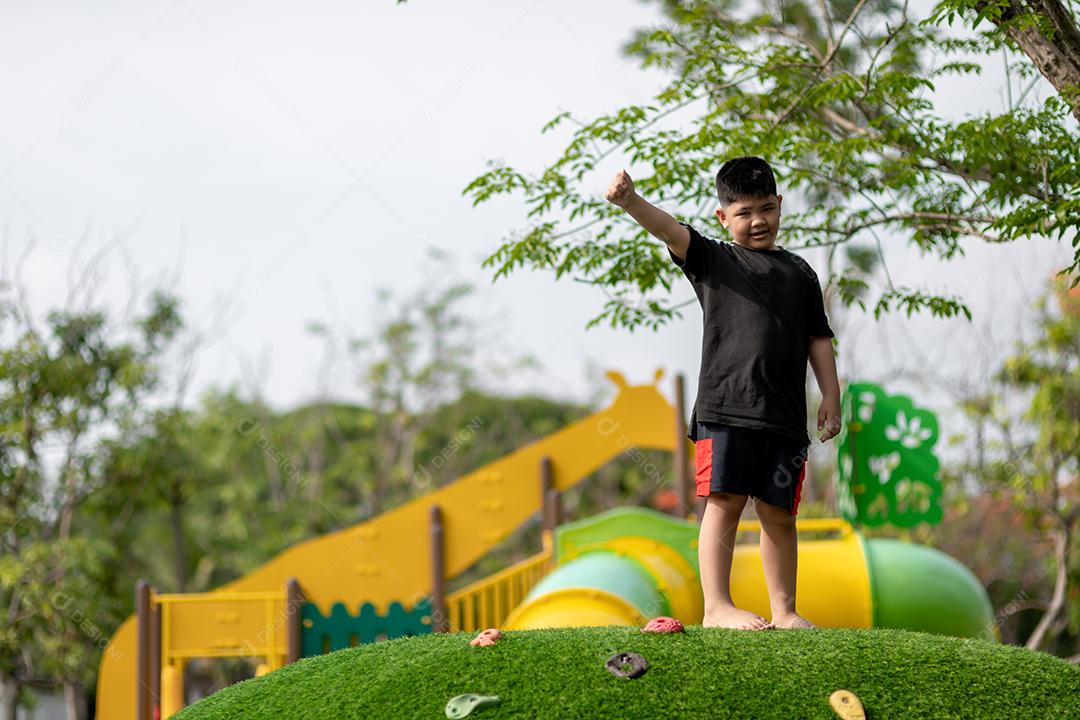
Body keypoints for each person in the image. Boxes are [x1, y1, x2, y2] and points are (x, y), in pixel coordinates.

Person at [604, 157, 841, 630]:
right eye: (745, 211)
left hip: (785, 417)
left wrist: (831, 397)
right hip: (725, 410)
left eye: (767, 209)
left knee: (779, 514)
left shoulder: (801, 273)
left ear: (780, 206)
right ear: (723, 217)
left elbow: (818, 338)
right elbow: (670, 230)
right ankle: (717, 608)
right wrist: (630, 201)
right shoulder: (714, 259)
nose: (758, 221)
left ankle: (786, 611)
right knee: (725, 502)